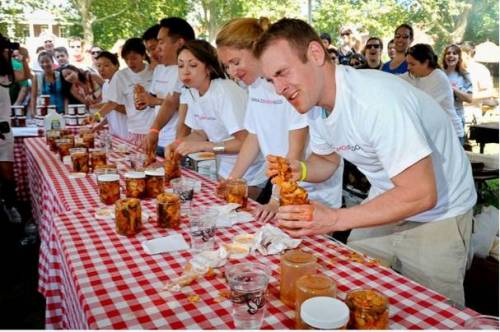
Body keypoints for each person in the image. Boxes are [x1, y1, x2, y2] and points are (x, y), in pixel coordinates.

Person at [254, 18, 476, 305]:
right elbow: (326, 160)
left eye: (282, 73)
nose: (278, 89)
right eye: (271, 80)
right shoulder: (314, 106)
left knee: (433, 313)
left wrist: (334, 219)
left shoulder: (373, 100)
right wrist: (303, 169)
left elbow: (422, 193)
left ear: (316, 54)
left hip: (442, 212)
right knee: (356, 287)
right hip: (387, 196)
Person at [216, 17, 343, 219]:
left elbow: (296, 149)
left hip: (311, 191)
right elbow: (254, 136)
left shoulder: (290, 85)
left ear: (256, 48)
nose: (232, 72)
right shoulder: (255, 87)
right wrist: (233, 179)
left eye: (235, 62)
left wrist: (276, 199)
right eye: (227, 66)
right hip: (280, 185)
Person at [166, 39, 267, 197]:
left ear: (208, 68)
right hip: (226, 170)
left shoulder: (224, 91)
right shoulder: (192, 92)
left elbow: (245, 141)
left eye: (193, 65)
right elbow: (201, 133)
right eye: (180, 65)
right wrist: (179, 144)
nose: (185, 71)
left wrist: (205, 146)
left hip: (251, 173)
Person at [144, 17, 196, 159]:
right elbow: (175, 105)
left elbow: (172, 103)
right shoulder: (176, 72)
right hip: (177, 144)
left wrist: (177, 144)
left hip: (195, 149)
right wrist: (155, 131)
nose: (158, 48)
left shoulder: (199, 76)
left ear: (179, 43)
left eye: (161, 42)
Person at [401, 44, 464, 142]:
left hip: (450, 136)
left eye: (412, 64)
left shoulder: (438, 78)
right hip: (433, 134)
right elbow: (392, 80)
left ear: (426, 62)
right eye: (407, 64)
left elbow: (421, 107)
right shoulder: (413, 75)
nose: (408, 67)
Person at [0, 34, 31, 223]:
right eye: (4, 50)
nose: (7, 53)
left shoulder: (5, 73)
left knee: (7, 175)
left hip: (4, 131)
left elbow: (25, 76)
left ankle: (11, 208)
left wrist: (24, 60)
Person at [105, 38, 154, 147]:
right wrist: (97, 116)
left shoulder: (154, 71)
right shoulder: (120, 76)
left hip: (157, 129)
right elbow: (112, 103)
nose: (130, 62)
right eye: (126, 59)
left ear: (143, 56)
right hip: (135, 129)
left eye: (134, 58)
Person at [93, 51, 128, 138]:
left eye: (106, 65)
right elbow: (109, 112)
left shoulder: (125, 83)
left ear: (116, 66)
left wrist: (110, 105)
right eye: (98, 66)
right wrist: (100, 124)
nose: (101, 69)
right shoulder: (106, 85)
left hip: (128, 133)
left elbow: (128, 110)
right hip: (114, 134)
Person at [442, 44, 473, 141]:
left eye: (454, 53)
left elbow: (469, 98)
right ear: (444, 57)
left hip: (457, 119)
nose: (451, 55)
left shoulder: (464, 76)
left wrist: (452, 88)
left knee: (457, 152)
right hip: (440, 119)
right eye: (448, 53)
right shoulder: (438, 74)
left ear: (459, 57)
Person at [460, 41, 497, 107]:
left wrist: (464, 96)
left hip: (470, 112)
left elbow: (489, 92)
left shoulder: (480, 69)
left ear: (468, 53)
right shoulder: (455, 68)